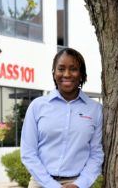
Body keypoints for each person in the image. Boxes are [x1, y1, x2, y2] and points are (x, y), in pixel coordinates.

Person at [20, 48, 104, 188]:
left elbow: (96, 154)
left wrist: (79, 184)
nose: (67, 74)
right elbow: (28, 152)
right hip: (41, 182)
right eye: (61, 69)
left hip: (77, 183)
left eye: (73, 69)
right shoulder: (37, 106)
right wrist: (52, 185)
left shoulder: (95, 110)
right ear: (54, 73)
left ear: (82, 75)